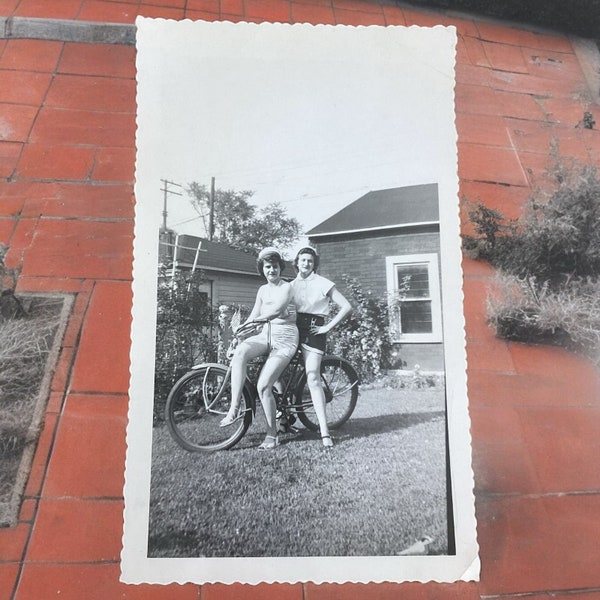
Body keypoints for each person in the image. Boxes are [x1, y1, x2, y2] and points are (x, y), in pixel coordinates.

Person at [220, 247, 298, 450]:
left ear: (280, 267)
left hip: (285, 339)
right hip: (266, 335)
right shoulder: (262, 290)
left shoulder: (286, 287)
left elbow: (277, 311)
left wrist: (255, 321)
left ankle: (272, 435)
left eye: (275, 266)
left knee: (263, 386)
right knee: (240, 353)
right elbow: (254, 315)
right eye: (267, 267)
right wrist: (240, 334)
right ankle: (235, 407)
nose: (271, 270)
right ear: (262, 269)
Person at [291, 246, 352, 448]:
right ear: (297, 262)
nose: (306, 264)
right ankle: (282, 421)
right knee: (277, 369)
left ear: (314, 263)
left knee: (312, 377)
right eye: (302, 260)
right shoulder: (290, 285)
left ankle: (325, 432)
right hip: (292, 329)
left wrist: (327, 327)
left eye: (310, 260)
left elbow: (346, 306)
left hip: (314, 331)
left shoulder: (323, 283)